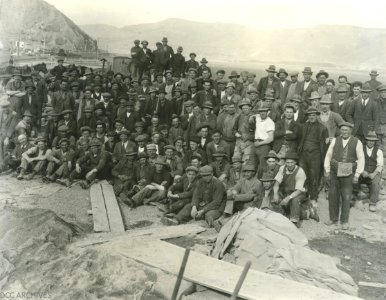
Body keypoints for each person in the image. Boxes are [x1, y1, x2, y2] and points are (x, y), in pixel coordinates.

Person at [324, 122, 365, 230]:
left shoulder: (357, 142)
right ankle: (333, 218)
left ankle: (344, 221)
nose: (344, 132)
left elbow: (361, 159)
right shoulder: (335, 140)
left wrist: (357, 175)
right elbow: (328, 155)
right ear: (340, 131)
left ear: (350, 131)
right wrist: (327, 170)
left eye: (346, 130)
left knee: (346, 196)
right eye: (342, 130)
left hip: (348, 171)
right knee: (333, 195)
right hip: (334, 170)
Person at [298, 107, 328, 220]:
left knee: (314, 176)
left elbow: (325, 146)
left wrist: (322, 158)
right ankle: (303, 196)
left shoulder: (323, 128)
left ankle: (313, 198)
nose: (311, 117)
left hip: (316, 155)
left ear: (317, 116)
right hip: (303, 154)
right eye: (310, 115)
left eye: (314, 115)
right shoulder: (303, 126)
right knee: (302, 175)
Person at [273, 151, 307, 228]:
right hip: (286, 192)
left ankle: (294, 220)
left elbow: (298, 190)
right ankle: (282, 214)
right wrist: (275, 194)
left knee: (295, 200)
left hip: (299, 193)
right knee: (275, 196)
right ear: (285, 162)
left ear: (295, 162)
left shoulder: (300, 171)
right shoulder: (282, 168)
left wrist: (288, 198)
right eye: (287, 162)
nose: (289, 164)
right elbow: (276, 184)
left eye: (291, 162)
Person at [357, 131, 383, 212]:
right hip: (362, 171)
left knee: (376, 183)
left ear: (375, 142)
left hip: (373, 172)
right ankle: (353, 198)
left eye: (373, 141)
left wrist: (373, 174)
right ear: (366, 140)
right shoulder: (361, 149)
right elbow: (357, 161)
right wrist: (362, 171)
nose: (371, 142)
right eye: (369, 140)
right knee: (353, 178)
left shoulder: (379, 151)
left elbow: (380, 165)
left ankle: (372, 203)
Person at [250, 105, 275, 170]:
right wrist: (251, 116)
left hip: (264, 145)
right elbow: (255, 116)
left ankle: (260, 179)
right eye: (261, 111)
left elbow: (271, 138)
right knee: (251, 164)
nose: (262, 113)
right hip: (255, 144)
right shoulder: (258, 118)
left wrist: (260, 143)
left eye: (264, 111)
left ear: (267, 112)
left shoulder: (270, 122)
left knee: (262, 166)